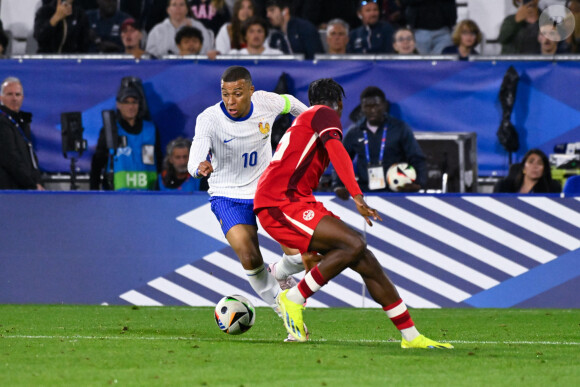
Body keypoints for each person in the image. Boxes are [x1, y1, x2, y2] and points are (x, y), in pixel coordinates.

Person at [253, 78, 453, 349]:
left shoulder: (307, 120)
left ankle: (411, 336)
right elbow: (339, 153)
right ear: (340, 104)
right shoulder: (323, 114)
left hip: (297, 201)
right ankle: (293, 298)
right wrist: (357, 196)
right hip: (280, 202)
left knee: (365, 258)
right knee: (355, 242)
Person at [187, 66, 310, 341]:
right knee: (249, 257)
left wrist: (315, 124)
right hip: (227, 195)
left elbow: (292, 104)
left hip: (266, 192)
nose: (230, 101)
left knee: (301, 257)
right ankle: (288, 316)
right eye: (225, 94)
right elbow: (194, 155)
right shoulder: (209, 119)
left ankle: (277, 272)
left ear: (251, 91)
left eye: (238, 94)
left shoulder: (267, 102)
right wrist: (199, 167)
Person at [333, 86, 426, 197]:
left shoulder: (400, 128)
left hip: (396, 192)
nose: (372, 110)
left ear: (384, 105)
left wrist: (418, 183)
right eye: (367, 106)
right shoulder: (354, 132)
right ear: (361, 107)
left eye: (376, 105)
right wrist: (338, 185)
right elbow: (341, 161)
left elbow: (416, 157)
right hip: (365, 192)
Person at [90, 81, 162, 190]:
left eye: (134, 102)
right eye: (126, 102)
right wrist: (94, 191)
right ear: (118, 105)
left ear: (139, 104)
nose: (131, 106)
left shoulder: (150, 129)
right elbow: (98, 163)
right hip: (117, 196)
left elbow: (159, 160)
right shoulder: (110, 130)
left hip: (148, 195)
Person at [0, 77, 44, 190]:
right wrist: (32, 185)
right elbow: (10, 157)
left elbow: (30, 157)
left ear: (22, 98)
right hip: (8, 191)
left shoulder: (22, 123)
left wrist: (37, 181)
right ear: (1, 98)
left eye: (17, 94)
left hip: (24, 188)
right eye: (10, 94)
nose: (14, 98)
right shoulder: (2, 121)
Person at [145, 0, 215, 57]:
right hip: (165, 69)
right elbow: (150, 55)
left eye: (181, 4)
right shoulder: (157, 30)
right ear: (168, 10)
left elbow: (207, 50)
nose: (178, 8)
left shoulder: (198, 27)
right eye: (174, 4)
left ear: (187, 9)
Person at [493, 148, 561, 193]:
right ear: (523, 167)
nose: (535, 166)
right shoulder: (503, 187)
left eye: (539, 163)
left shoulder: (551, 189)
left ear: (544, 169)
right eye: (531, 162)